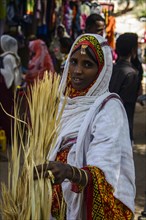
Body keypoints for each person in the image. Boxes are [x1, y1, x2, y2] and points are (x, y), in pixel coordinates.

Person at [34, 34, 135, 219]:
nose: (77, 70)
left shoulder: (108, 108)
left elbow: (106, 172)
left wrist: (69, 171)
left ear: (101, 71)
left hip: (77, 208)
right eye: (73, 61)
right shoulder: (59, 103)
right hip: (47, 205)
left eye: (87, 64)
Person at [109, 33, 139, 142]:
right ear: (133, 50)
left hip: (108, 122)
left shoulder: (111, 69)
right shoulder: (132, 73)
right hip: (122, 126)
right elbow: (126, 104)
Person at [0, 34, 22, 145]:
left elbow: (9, 75)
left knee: (6, 114)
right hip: (10, 89)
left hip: (6, 89)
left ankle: (10, 138)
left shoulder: (8, 57)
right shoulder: (13, 56)